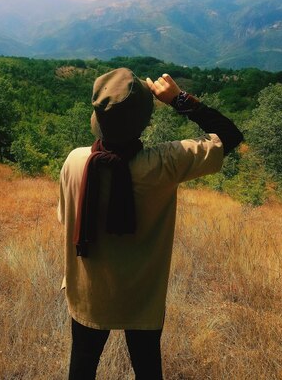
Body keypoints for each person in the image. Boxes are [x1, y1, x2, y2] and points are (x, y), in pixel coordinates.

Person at [58, 68, 243, 379]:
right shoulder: (166, 163)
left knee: (81, 367)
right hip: (143, 296)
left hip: (88, 292)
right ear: (143, 121)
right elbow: (230, 136)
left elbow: (65, 218)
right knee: (147, 369)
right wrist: (179, 99)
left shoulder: (75, 161)